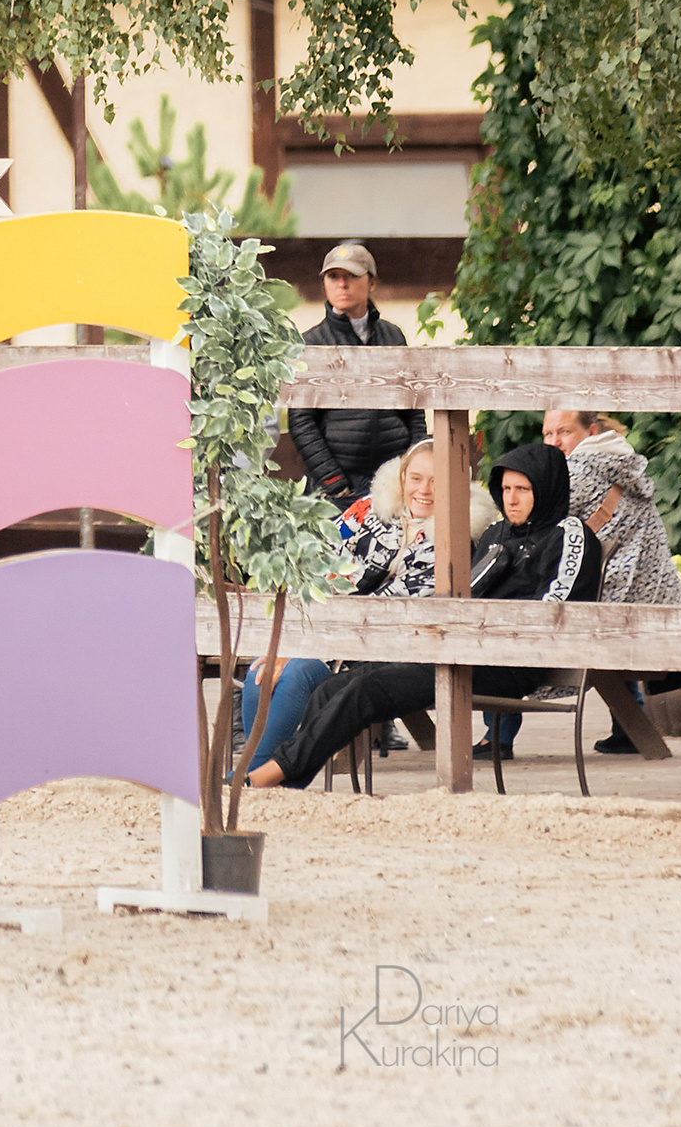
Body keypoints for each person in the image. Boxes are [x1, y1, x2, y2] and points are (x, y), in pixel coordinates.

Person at [249, 442, 597, 789]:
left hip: (510, 663)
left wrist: (483, 633)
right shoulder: (497, 533)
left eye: (522, 489)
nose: (511, 499)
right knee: (336, 686)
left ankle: (268, 775)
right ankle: (287, 784)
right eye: (506, 489)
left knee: (366, 689)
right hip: (457, 652)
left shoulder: (569, 534)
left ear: (546, 488)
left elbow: (555, 610)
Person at [233, 439, 498, 771]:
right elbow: (320, 559)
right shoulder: (367, 510)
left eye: (437, 480)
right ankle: (255, 776)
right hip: (325, 630)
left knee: (295, 673)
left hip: (386, 648)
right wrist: (298, 638)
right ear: (401, 477)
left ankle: (251, 778)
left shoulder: (461, 537)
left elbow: (400, 605)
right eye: (416, 478)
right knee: (264, 669)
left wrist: (313, 644)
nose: (425, 490)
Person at [545, 407, 681, 754]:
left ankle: (497, 736)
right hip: (651, 604)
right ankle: (628, 729)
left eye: (563, 432)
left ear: (591, 430)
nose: (553, 442)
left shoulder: (578, 471)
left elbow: (533, 518)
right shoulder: (620, 461)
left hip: (619, 606)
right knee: (610, 610)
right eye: (547, 434)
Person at [286, 241, 426, 513]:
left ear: (371, 283)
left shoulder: (393, 336)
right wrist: (333, 481)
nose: (342, 284)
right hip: (339, 486)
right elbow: (301, 420)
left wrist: (412, 465)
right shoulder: (311, 343)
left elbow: (414, 406)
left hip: (393, 480)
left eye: (351, 276)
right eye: (333, 277)